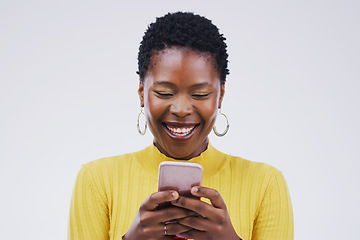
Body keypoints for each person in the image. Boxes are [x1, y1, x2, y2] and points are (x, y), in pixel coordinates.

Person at [68, 12, 294, 240]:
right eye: (164, 92)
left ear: (221, 95)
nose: (181, 109)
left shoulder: (266, 184)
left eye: (200, 94)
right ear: (141, 93)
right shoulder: (96, 180)